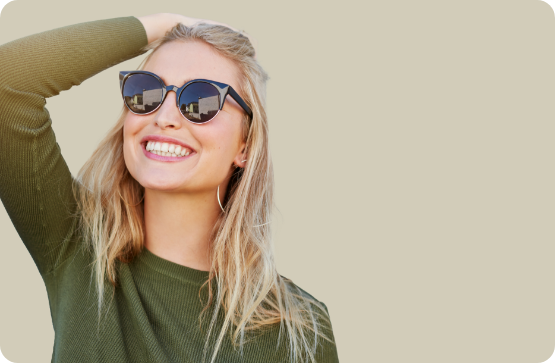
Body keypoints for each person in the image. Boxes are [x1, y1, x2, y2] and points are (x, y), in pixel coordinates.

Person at [0, 12, 339, 363]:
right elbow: (7, 80)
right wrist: (167, 25)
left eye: (202, 100)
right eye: (147, 91)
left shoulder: (301, 329)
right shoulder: (79, 248)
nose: (164, 117)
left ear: (246, 146)